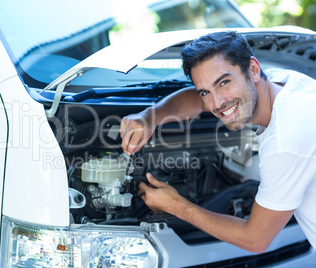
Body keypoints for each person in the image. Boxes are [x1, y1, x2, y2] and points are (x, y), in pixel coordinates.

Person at [119, 31, 316, 253]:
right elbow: (198, 101)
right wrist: (151, 116)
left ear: (253, 69)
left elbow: (255, 239)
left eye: (224, 83)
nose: (217, 103)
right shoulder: (286, 83)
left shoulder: (286, 140)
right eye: (206, 91)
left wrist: (176, 205)